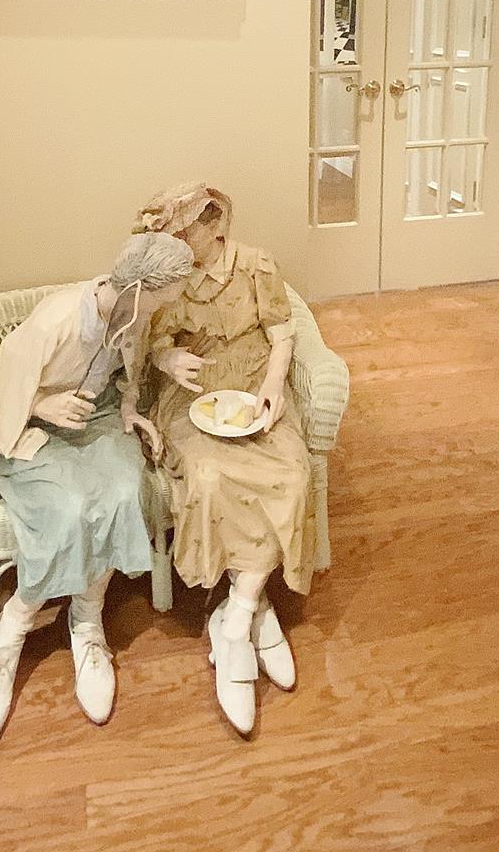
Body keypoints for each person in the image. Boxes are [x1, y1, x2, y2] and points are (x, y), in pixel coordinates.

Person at [0, 231, 195, 750]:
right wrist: (40, 406)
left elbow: (125, 376)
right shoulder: (57, 320)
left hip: (96, 421)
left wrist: (131, 413)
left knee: (124, 491)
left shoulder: (133, 318)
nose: (172, 304)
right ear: (139, 290)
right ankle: (13, 627)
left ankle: (88, 619)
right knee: (69, 508)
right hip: (32, 427)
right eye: (167, 295)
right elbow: (0, 388)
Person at [133, 182, 316, 736]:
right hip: (193, 393)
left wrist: (274, 385)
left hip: (254, 385)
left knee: (292, 474)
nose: (178, 240)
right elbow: (150, 343)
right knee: (209, 475)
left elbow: (282, 336)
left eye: (187, 231)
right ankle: (256, 610)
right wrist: (168, 360)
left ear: (216, 229)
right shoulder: (172, 274)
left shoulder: (258, 266)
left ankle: (235, 618)